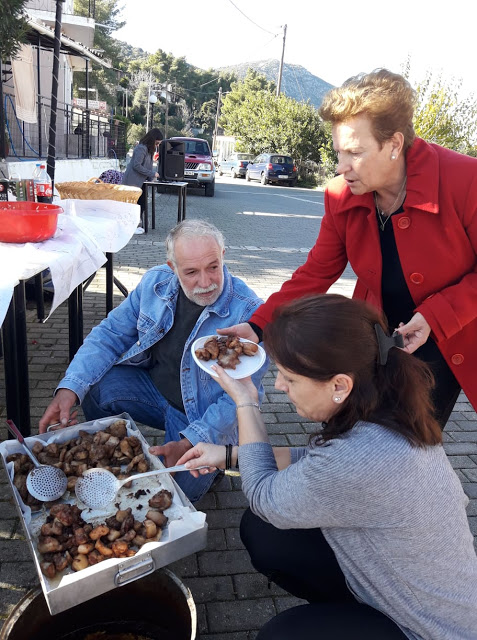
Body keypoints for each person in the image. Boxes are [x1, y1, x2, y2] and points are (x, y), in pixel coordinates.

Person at [178, 294, 477, 640]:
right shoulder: (387, 408)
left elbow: (263, 494)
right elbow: (315, 464)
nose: (279, 386)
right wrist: (228, 455)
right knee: (266, 533)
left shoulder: (360, 457)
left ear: (339, 385)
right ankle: (352, 609)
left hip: (429, 630)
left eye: (290, 378)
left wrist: (246, 402)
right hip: (409, 584)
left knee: (283, 634)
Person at [219, 69, 477, 428]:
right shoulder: (341, 194)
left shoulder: (466, 181)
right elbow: (316, 272)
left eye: (355, 152)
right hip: (375, 338)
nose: (341, 168)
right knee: (357, 430)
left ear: (394, 145)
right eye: (339, 152)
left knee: (409, 440)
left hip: (450, 337)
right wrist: (258, 326)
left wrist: (436, 316)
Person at [38, 220, 268, 502]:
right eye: (192, 272)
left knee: (169, 497)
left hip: (201, 416)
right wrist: (68, 390)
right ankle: (120, 450)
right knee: (95, 386)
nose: (206, 282)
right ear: (173, 268)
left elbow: (241, 400)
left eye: (213, 266)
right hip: (153, 390)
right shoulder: (156, 283)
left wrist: (189, 442)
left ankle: (217, 460)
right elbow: (109, 335)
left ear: (223, 255)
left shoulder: (250, 312)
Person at [122, 127, 163, 234]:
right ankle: (132, 226)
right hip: (133, 181)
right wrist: (152, 174)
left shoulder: (150, 150)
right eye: (157, 143)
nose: (157, 145)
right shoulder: (141, 148)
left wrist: (151, 177)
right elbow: (136, 165)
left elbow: (148, 166)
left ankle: (136, 224)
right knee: (133, 204)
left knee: (142, 204)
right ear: (152, 140)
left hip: (142, 181)